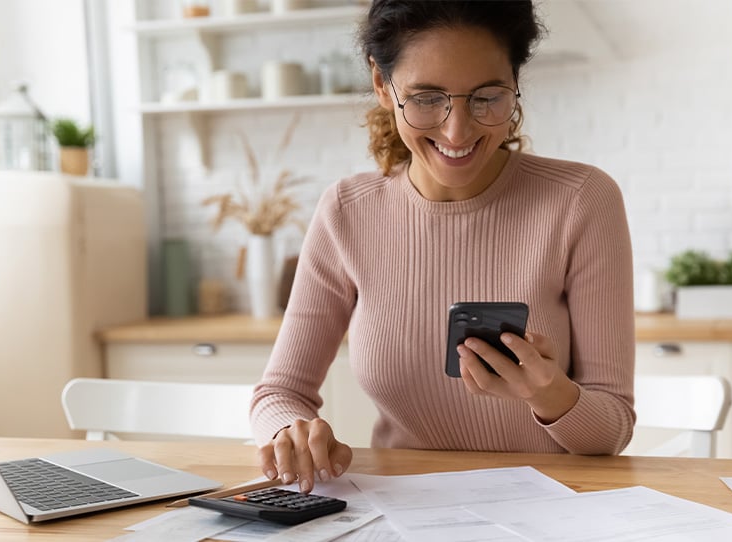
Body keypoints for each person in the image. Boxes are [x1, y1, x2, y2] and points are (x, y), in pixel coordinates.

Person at [250, 0, 635, 494]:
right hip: (402, 507)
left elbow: (612, 429)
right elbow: (279, 393)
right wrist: (290, 431)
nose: (457, 130)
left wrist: (551, 394)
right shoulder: (347, 211)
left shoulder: (580, 200)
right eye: (427, 97)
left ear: (515, 83)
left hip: (550, 504)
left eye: (487, 97)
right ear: (381, 86)